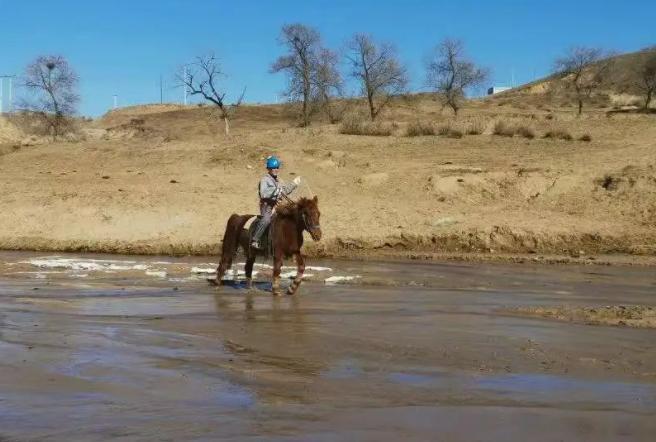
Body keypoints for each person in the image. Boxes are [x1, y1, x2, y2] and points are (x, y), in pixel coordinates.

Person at [251, 156, 301, 249]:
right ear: (269, 169)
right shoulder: (264, 180)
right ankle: (255, 239)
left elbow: (285, 190)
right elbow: (263, 193)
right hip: (267, 206)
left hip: (277, 205)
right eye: (273, 168)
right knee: (266, 219)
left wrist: (294, 183)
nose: (276, 170)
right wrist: (275, 191)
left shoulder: (279, 180)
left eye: (277, 167)